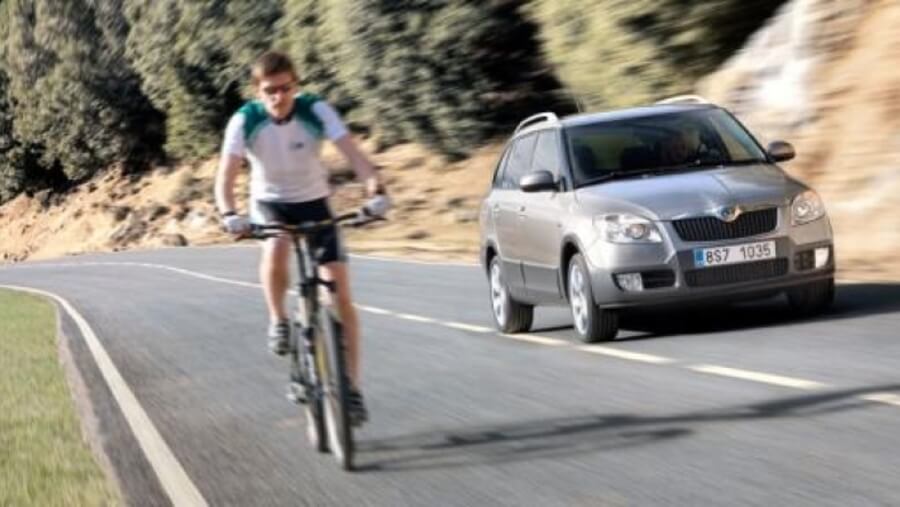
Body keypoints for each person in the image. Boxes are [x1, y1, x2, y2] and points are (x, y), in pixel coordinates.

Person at [215, 50, 389, 424]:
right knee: (276, 246)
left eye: (285, 88)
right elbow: (226, 176)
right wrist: (230, 213)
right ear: (257, 92)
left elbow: (354, 155)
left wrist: (374, 187)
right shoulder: (244, 120)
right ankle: (278, 319)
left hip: (314, 203)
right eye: (269, 91)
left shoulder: (316, 110)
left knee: (340, 295)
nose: (278, 97)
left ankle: (352, 389)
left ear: (296, 84)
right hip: (270, 203)